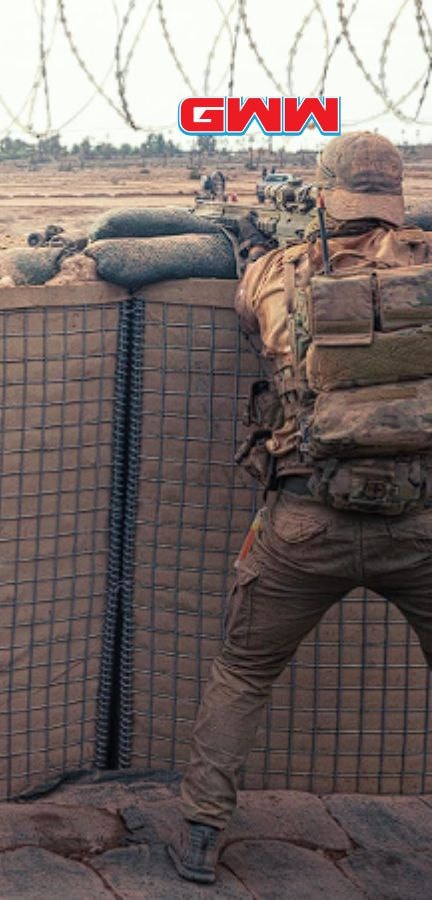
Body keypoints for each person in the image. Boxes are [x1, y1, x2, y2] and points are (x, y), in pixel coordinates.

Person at [170, 132, 432, 884]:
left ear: (323, 196)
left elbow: (253, 312)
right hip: (420, 523)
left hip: (303, 520)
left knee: (244, 673)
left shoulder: (274, 274)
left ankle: (198, 834)